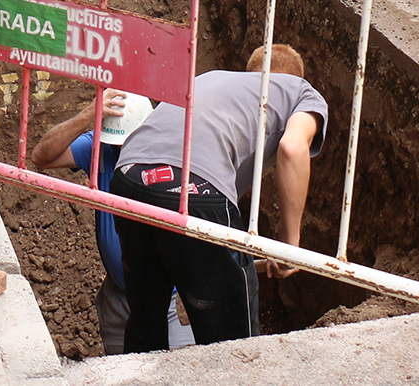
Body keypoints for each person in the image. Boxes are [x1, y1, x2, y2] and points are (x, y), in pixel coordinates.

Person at [111, 45, 328, 351]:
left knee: (146, 321)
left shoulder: (213, 80)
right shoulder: (301, 92)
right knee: (233, 345)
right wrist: (289, 246)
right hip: (193, 186)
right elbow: (292, 149)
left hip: (128, 178)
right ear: (293, 78)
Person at [31, 89, 194, 355]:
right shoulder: (102, 146)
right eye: (116, 144)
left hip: (169, 300)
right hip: (119, 294)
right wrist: (88, 115)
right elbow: (41, 156)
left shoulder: (174, 157)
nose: (120, 150)